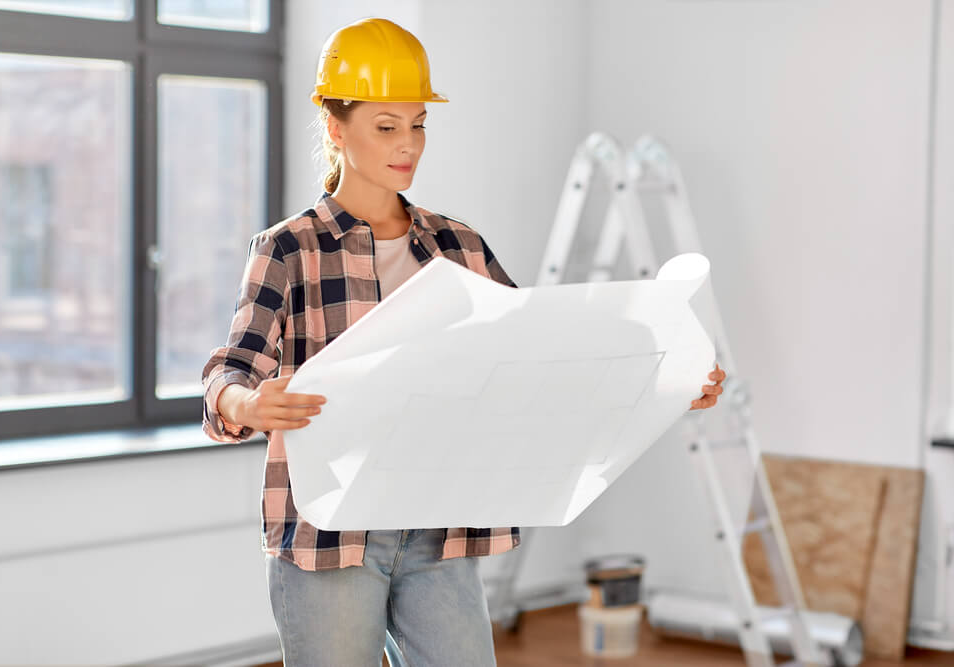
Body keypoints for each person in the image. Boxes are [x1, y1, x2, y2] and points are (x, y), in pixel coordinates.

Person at [200, 17, 726, 667]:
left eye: (417, 123)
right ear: (336, 128)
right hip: (329, 535)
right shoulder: (288, 249)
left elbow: (545, 355)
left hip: (438, 528)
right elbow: (230, 371)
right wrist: (245, 405)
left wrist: (670, 381)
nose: (409, 145)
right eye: (386, 126)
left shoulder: (458, 246)